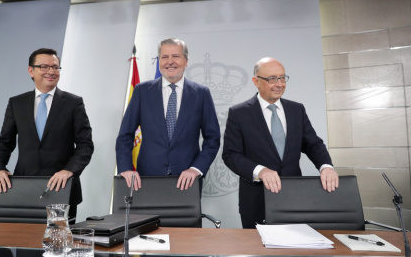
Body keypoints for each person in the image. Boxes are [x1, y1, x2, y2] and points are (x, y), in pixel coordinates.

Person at [222, 57, 339, 229]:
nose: (279, 84)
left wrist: (326, 166)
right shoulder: (238, 113)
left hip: (294, 199)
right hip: (256, 202)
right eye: (272, 79)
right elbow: (231, 155)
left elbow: (313, 144)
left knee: (293, 254)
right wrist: (260, 171)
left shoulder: (296, 110)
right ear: (256, 82)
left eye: (282, 78)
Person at [0, 48, 94, 220]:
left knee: (59, 244)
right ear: (31, 70)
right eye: (44, 67)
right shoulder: (17, 103)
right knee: (25, 244)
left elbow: (85, 145)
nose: (51, 72)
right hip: (24, 188)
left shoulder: (73, 103)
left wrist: (69, 170)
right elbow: (4, 142)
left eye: (55, 67)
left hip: (63, 187)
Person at [116, 38, 220, 191]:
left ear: (186, 61)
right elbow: (125, 135)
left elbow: (212, 138)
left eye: (176, 56)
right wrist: (125, 168)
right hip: (146, 179)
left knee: (185, 217)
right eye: (164, 57)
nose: (170, 61)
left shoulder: (201, 93)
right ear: (159, 61)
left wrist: (196, 169)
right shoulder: (142, 91)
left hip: (187, 182)